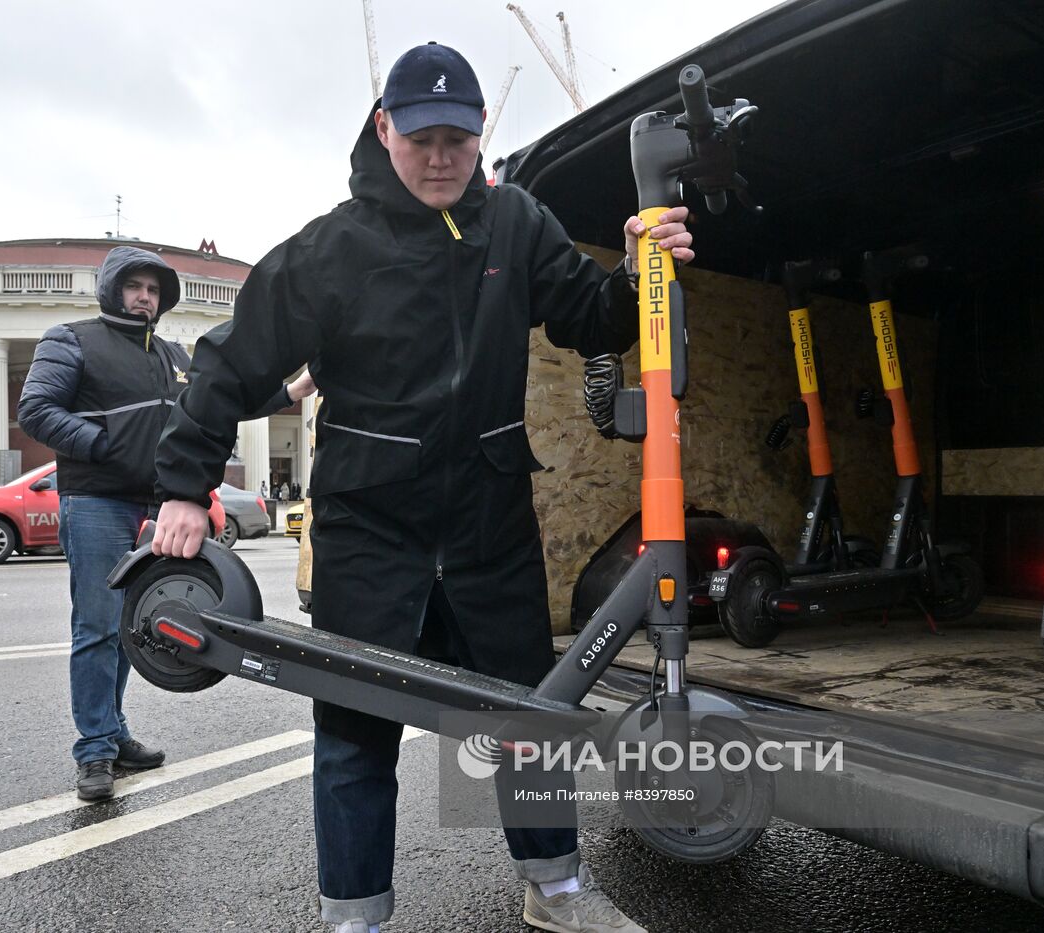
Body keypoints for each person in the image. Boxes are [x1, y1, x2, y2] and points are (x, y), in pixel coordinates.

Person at [151, 42, 692, 933]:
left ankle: (555, 889)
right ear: (383, 129)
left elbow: (594, 319)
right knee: (359, 734)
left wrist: (642, 271)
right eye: (423, 137)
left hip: (489, 524)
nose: (442, 157)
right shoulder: (331, 248)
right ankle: (355, 917)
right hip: (371, 530)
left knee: (532, 714)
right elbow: (230, 362)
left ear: (482, 134)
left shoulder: (516, 222)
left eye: (460, 138)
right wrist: (183, 485)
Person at [19, 245, 313, 802]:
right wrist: (105, 446)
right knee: (99, 627)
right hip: (99, 502)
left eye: (153, 290)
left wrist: (291, 392)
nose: (144, 297)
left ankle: (114, 731)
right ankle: (95, 750)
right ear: (111, 288)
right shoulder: (72, 338)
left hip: (158, 507)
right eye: (134, 287)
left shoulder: (175, 355)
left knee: (132, 625)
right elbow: (36, 410)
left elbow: (215, 402)